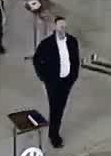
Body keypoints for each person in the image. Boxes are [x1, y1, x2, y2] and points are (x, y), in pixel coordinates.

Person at [32, 17, 80, 149]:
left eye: (64, 27)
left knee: (61, 107)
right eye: (60, 27)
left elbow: (75, 61)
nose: (62, 29)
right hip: (53, 82)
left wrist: (73, 77)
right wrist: (44, 77)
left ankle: (54, 132)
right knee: (55, 108)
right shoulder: (47, 44)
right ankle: (54, 136)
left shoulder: (72, 41)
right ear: (55, 27)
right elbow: (37, 60)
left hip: (67, 81)